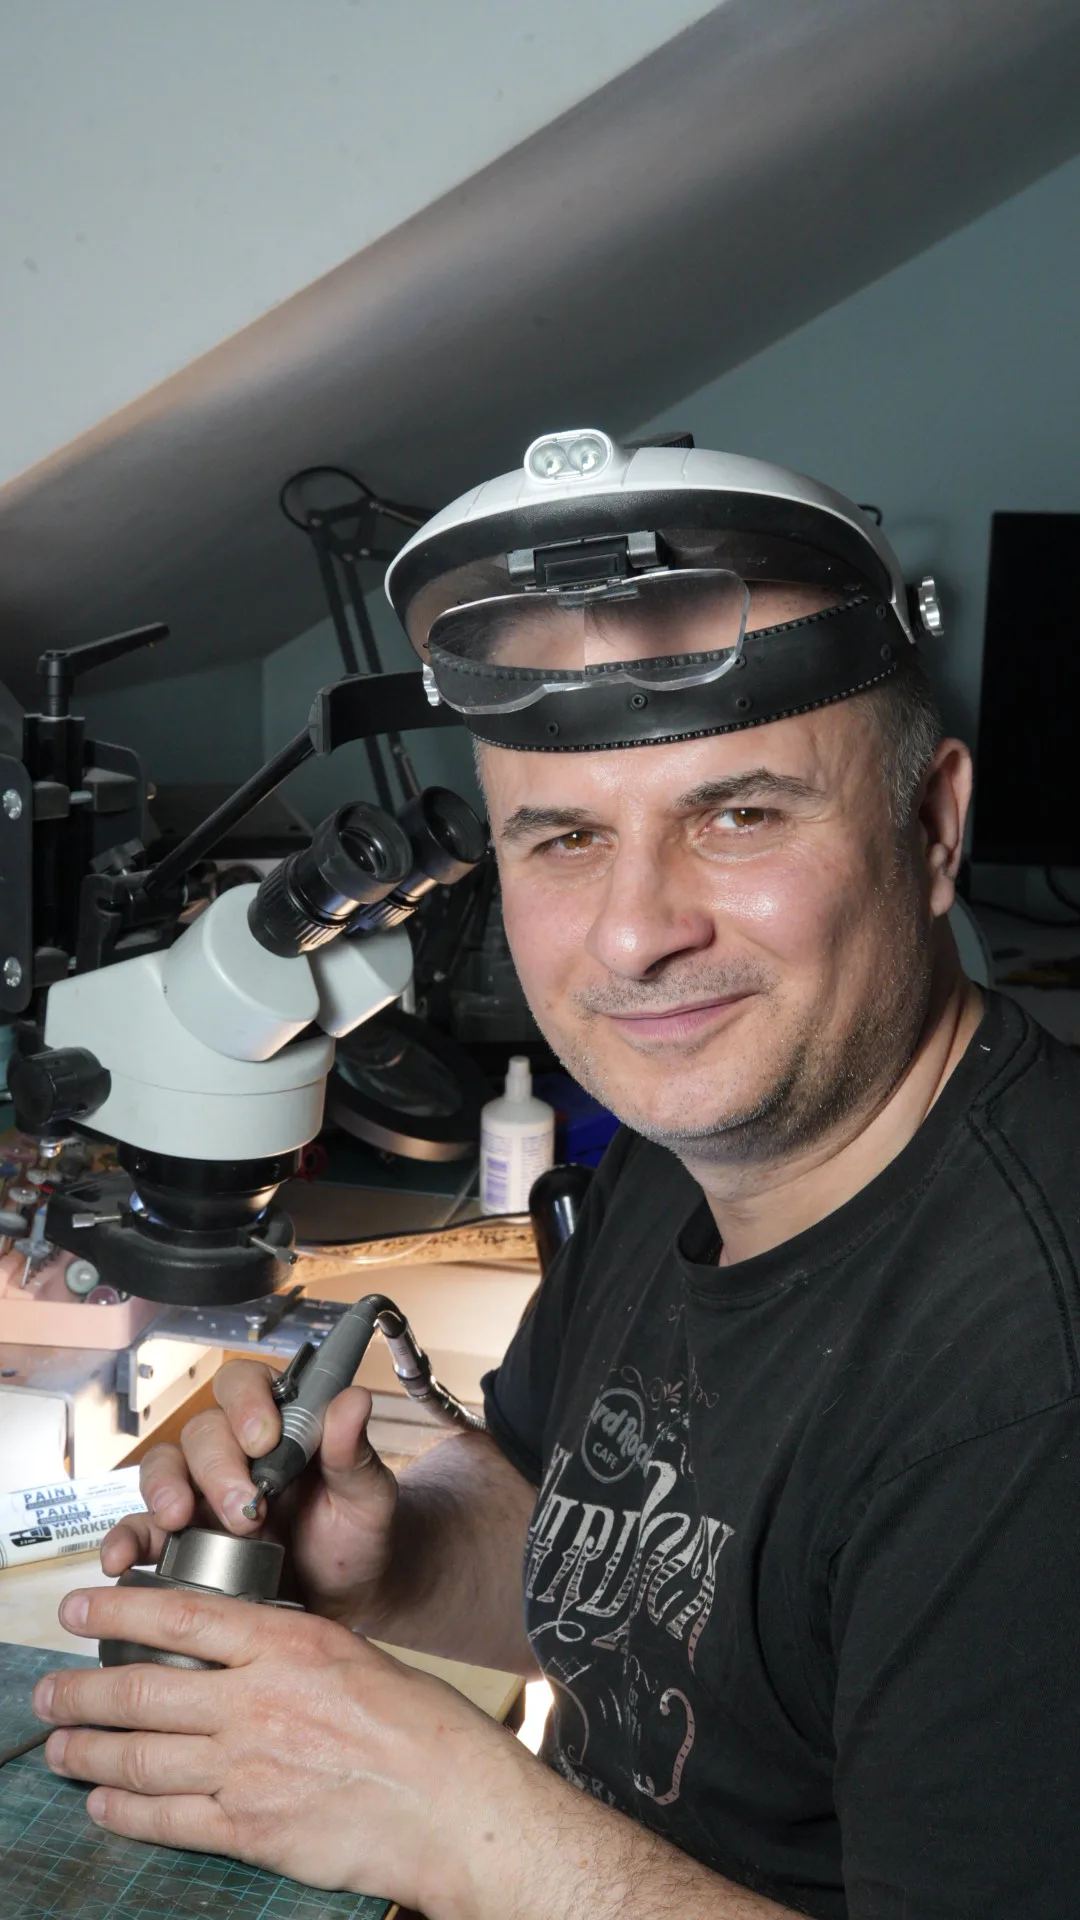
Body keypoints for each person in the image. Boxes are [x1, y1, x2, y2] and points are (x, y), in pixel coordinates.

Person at [32, 432, 1080, 1919]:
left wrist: (459, 1824)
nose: (638, 934)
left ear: (931, 826)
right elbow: (632, 1578)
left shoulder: (1029, 1384)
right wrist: (388, 1556)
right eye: (566, 837)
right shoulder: (683, 1146)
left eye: (739, 814)